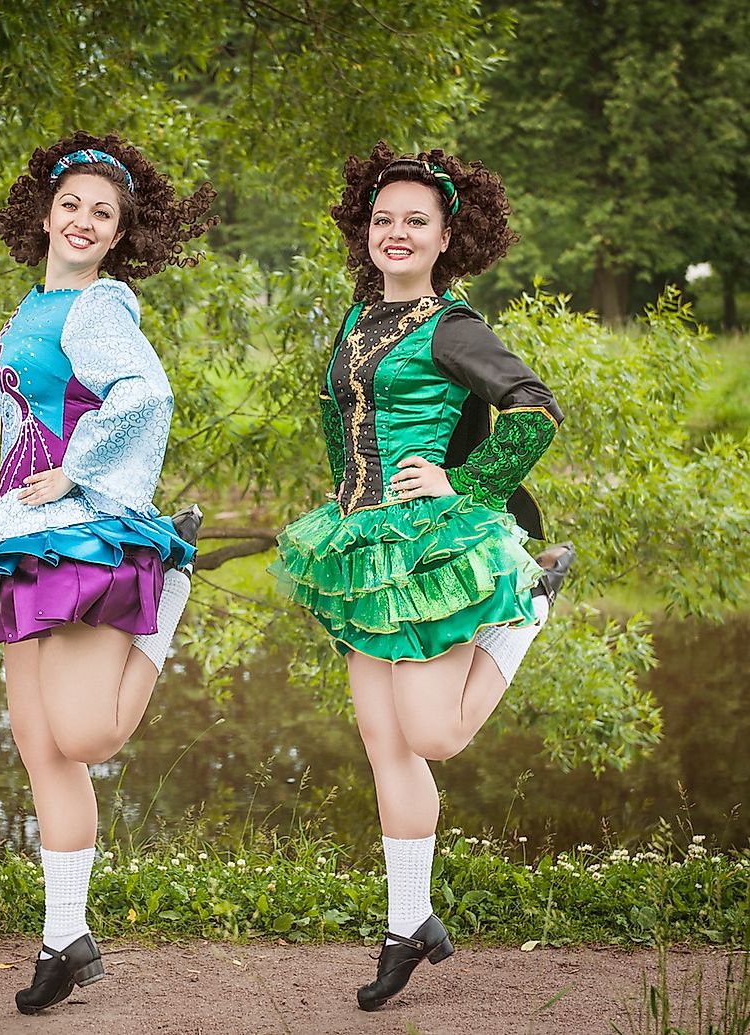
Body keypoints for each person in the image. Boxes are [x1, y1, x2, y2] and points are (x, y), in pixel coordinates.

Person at [269, 142, 575, 1011]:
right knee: (384, 740)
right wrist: (343, 503)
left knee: (433, 733)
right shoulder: (356, 320)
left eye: (415, 222)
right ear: (365, 231)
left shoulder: (452, 325)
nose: (394, 233)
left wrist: (465, 483)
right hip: (362, 546)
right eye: (382, 219)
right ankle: (410, 922)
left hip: (434, 540)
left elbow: (535, 409)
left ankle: (530, 603)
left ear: (447, 237)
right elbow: (339, 418)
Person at [0, 132, 216, 1014]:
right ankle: (64, 938)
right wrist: (17, 490)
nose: (85, 221)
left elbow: (146, 394)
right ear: (46, 215)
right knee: (40, 745)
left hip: (83, 525)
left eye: (104, 212)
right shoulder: (30, 305)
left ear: (119, 231)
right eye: (74, 206)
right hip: (21, 527)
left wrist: (82, 471)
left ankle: (170, 592)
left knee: (87, 734)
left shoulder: (99, 307)